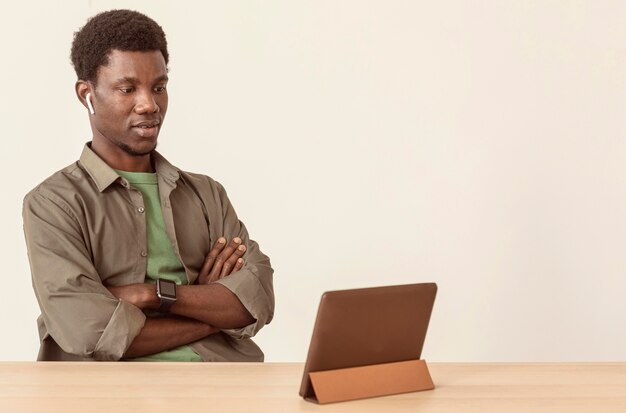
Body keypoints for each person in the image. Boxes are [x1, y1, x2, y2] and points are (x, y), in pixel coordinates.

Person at [22, 10, 274, 362]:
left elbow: (257, 299)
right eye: (128, 89)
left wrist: (152, 295)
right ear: (87, 95)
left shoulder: (207, 194)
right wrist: (208, 308)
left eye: (159, 87)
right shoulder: (53, 204)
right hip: (108, 394)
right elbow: (89, 332)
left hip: (222, 380)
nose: (149, 104)